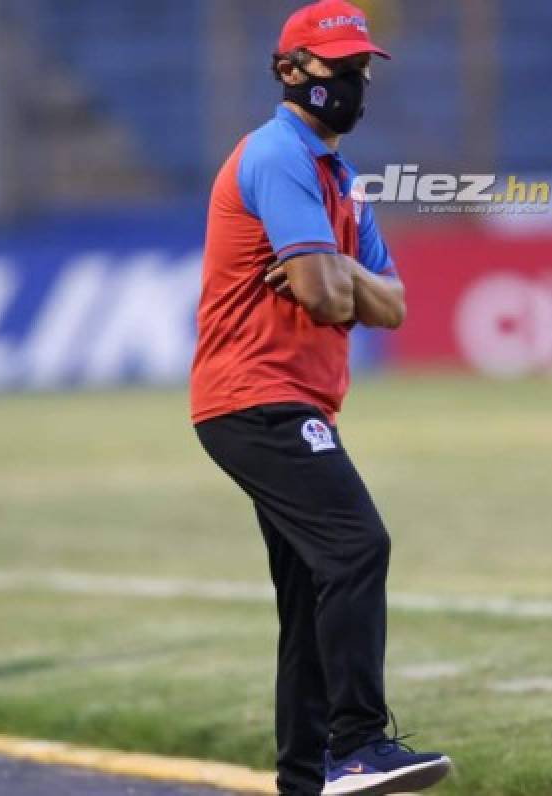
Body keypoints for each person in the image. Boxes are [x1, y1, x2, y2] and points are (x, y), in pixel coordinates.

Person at [189, 2, 451, 794]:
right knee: (357, 546)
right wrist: (337, 276)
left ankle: (303, 780)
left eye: (360, 65)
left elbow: (391, 305)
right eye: (339, 64)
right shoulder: (276, 156)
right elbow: (328, 296)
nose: (353, 79)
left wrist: (339, 272)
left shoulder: (340, 179)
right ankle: (358, 744)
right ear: (289, 71)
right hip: (256, 397)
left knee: (309, 595)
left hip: (285, 398)